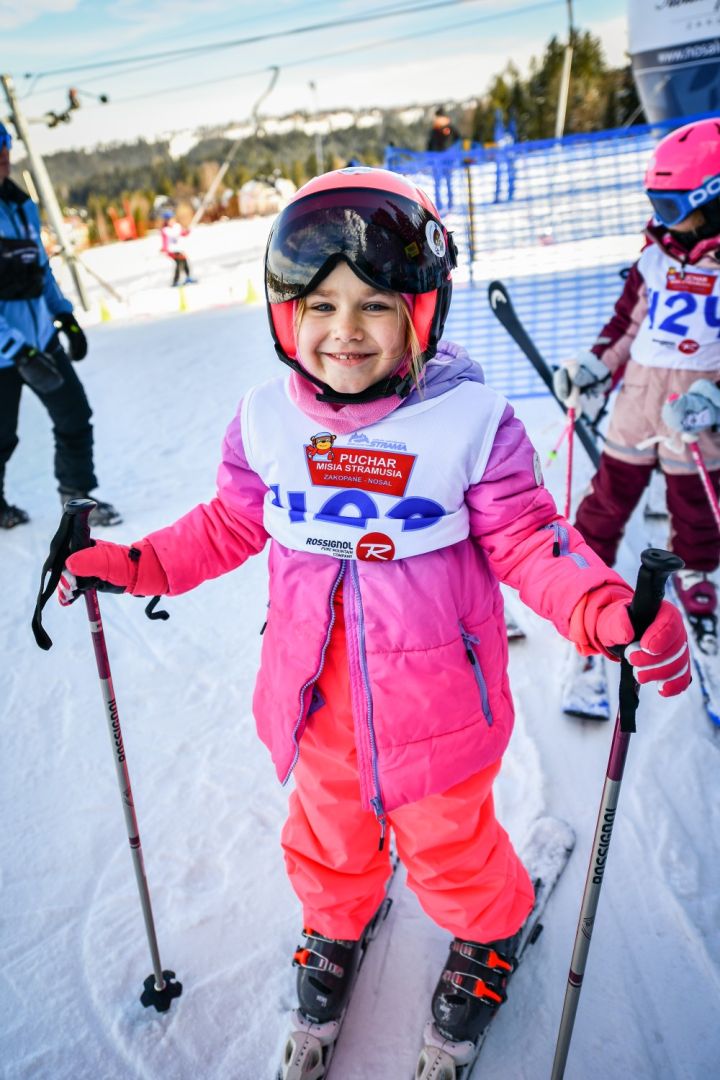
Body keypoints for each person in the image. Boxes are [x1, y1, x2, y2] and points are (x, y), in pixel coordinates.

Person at [57, 168, 689, 1050]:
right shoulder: (267, 422)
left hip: (438, 709)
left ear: (420, 313)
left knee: (449, 847)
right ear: (286, 316)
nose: (344, 330)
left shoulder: (471, 424)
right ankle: (336, 921)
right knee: (328, 836)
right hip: (314, 701)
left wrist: (605, 608)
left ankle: (490, 928)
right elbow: (230, 522)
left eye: (375, 306)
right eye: (319, 306)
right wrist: (138, 565)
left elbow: (527, 538)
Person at [555, 117, 720, 654]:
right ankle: (582, 569)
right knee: (609, 493)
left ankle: (696, 573)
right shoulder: (653, 258)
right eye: (656, 204)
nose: (661, 218)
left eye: (672, 207)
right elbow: (626, 327)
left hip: (695, 415)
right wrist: (596, 368)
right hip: (638, 403)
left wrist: (713, 402)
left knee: (694, 507)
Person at [0, 122, 121, 529]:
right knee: (1, 437)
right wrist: (16, 350)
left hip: (41, 339)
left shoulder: (20, 205)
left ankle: (77, 499)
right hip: (5, 354)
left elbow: (40, 269)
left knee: (74, 417)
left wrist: (64, 315)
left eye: (5, 146)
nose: (4, 156)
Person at [426, 106, 460, 211]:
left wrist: (455, 154)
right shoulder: (434, 130)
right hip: (437, 161)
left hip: (448, 160)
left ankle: (450, 204)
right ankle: (439, 205)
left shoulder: (450, 128)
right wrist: (429, 159)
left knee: (447, 182)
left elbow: (458, 140)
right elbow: (429, 145)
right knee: (438, 183)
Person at [160, 209, 196, 287]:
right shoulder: (165, 230)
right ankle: (175, 281)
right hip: (172, 251)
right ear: (166, 221)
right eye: (168, 220)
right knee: (179, 264)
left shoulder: (177, 226)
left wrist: (187, 231)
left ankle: (188, 277)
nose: (170, 221)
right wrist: (165, 249)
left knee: (184, 262)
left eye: (171, 219)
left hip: (179, 249)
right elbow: (165, 241)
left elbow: (183, 233)